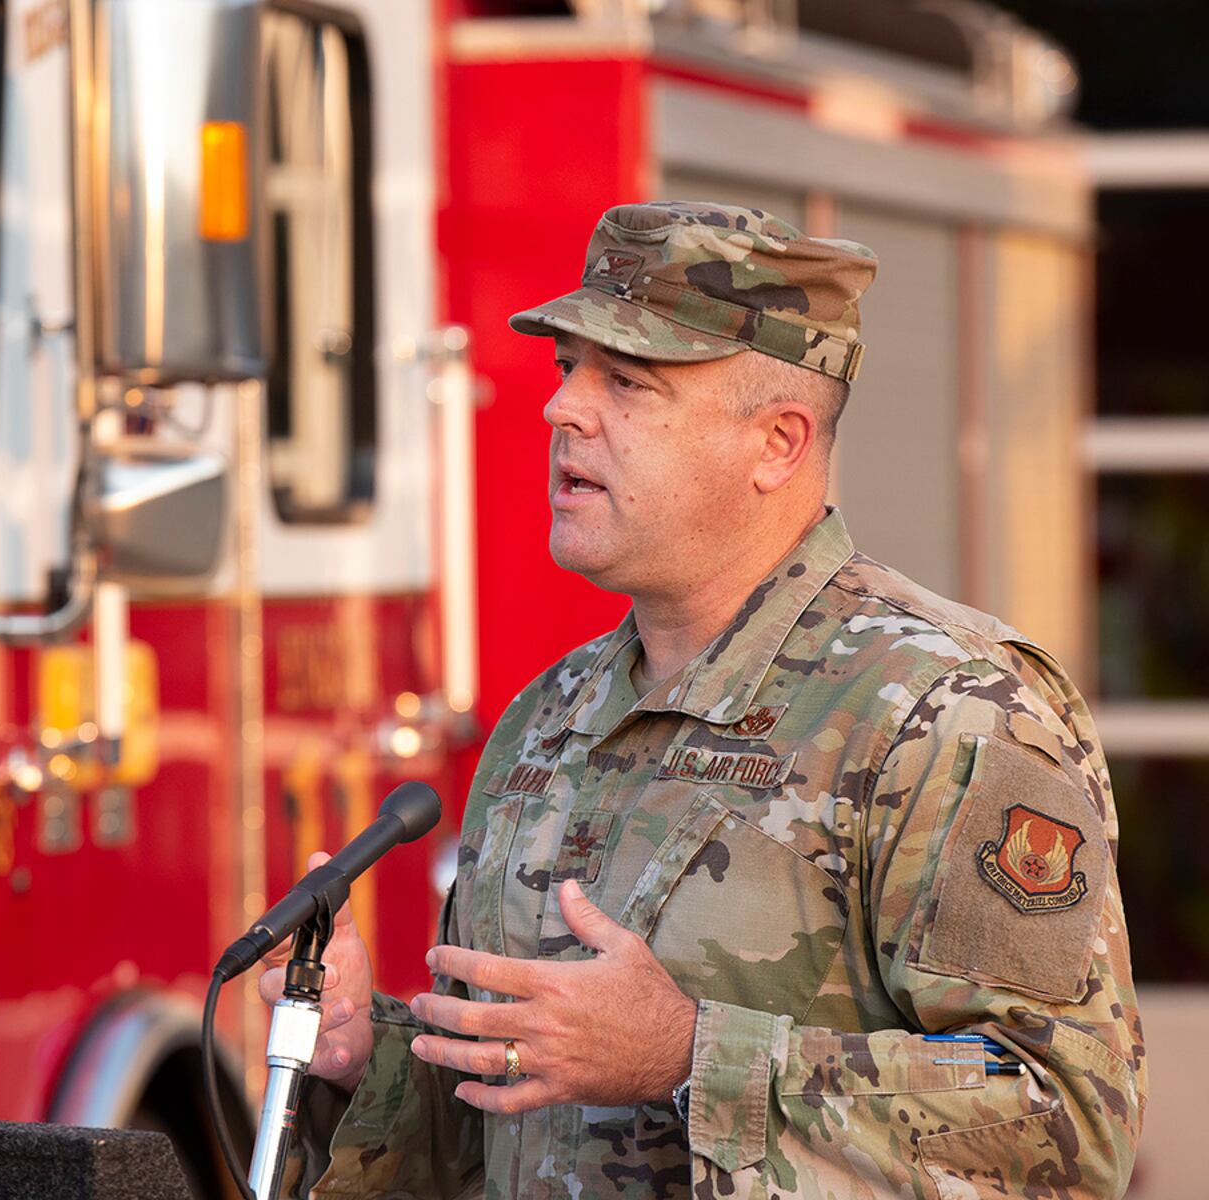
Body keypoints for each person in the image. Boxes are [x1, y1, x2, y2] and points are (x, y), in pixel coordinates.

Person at [261, 200, 1145, 1199]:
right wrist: (355, 1057)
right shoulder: (549, 717)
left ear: (776, 443)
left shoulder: (946, 711)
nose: (562, 411)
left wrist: (687, 1056)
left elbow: (1066, 1130)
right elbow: (503, 1134)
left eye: (627, 383)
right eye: (567, 372)